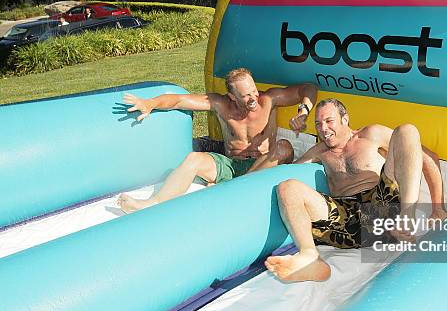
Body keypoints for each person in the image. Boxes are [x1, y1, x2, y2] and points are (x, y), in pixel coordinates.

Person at [265, 98, 447, 282]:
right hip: (347, 222)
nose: (323, 129)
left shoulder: (371, 134)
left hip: (382, 207)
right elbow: (290, 172)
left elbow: (427, 157)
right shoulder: (319, 151)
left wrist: (438, 208)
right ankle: (310, 257)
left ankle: (406, 220)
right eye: (318, 124)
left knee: (407, 130)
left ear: (345, 119)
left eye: (329, 121)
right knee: (287, 187)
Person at [117, 68, 318, 213]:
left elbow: (308, 89)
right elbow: (178, 100)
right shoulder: (221, 104)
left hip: (263, 165)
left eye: (254, 91)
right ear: (232, 96)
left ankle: (230, 189)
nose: (253, 98)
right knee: (194, 159)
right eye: (246, 95)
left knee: (284, 148)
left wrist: (304, 112)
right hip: (231, 166)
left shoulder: (269, 100)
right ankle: (153, 204)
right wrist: (151, 104)